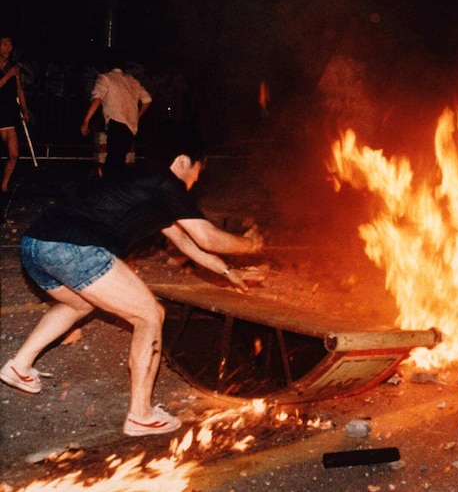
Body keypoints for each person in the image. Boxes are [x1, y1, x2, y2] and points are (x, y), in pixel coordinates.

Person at [0, 124, 264, 437]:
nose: (195, 181)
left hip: (37, 245)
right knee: (150, 315)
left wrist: (229, 273)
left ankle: (19, 366)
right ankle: (140, 415)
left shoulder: (141, 182)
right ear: (183, 161)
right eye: (197, 172)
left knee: (79, 304)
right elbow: (207, 237)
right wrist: (251, 245)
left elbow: (188, 244)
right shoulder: (167, 184)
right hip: (76, 249)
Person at [81, 58, 151, 180]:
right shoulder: (132, 81)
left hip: (116, 123)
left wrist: (86, 121)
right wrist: (137, 116)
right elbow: (147, 100)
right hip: (131, 127)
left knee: (113, 161)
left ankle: (110, 189)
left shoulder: (105, 78)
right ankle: (115, 188)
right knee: (118, 160)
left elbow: (97, 99)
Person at [0, 34, 29, 193]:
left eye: (10, 44)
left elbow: (19, 89)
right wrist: (8, 75)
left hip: (8, 112)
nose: (8, 47)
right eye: (4, 44)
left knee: (14, 153)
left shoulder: (13, 66)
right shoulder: (9, 70)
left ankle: (4, 185)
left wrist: (24, 108)